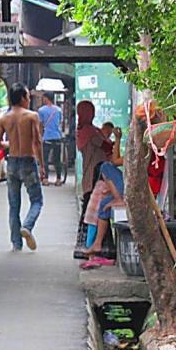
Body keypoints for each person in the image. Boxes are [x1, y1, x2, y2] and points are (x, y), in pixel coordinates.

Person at [0, 83, 45, 252]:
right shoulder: (32, 116)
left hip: (12, 163)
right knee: (37, 200)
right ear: (23, 98)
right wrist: (42, 165)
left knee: (14, 205)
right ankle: (27, 226)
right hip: (28, 162)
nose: (29, 100)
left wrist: (11, 143)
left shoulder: (4, 118)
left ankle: (16, 243)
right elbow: (37, 142)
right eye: (28, 97)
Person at [74, 100, 115, 259]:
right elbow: (106, 146)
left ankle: (87, 246)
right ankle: (94, 247)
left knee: (89, 213)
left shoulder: (83, 130)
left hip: (88, 175)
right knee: (96, 213)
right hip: (95, 176)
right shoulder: (91, 131)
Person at [38, 91, 64, 186]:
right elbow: (60, 123)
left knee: (44, 159)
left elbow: (40, 125)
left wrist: (40, 136)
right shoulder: (58, 110)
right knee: (57, 159)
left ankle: (45, 179)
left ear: (46, 98)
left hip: (47, 137)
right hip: (57, 136)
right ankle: (58, 179)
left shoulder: (41, 110)